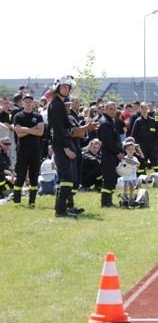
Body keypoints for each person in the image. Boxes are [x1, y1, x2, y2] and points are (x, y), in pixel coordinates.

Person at [48, 75, 98, 217]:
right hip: (62, 147)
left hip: (65, 145)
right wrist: (66, 148)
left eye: (68, 87)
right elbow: (58, 130)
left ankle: (66, 208)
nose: (66, 88)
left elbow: (68, 130)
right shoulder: (56, 104)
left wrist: (86, 127)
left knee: (69, 180)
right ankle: (61, 211)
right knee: (67, 179)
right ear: (57, 87)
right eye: (64, 86)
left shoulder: (59, 104)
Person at [12, 94, 45, 206]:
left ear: (33, 103)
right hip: (22, 149)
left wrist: (25, 129)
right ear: (22, 103)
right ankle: (16, 200)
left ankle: (32, 201)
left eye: (30, 101)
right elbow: (19, 134)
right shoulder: (18, 116)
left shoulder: (38, 116)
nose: (28, 103)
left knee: (34, 174)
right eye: (26, 101)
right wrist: (33, 129)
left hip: (35, 149)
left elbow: (40, 132)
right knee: (20, 174)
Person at [97, 102, 123, 207]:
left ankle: (109, 201)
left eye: (114, 109)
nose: (113, 111)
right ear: (105, 110)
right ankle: (105, 202)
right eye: (111, 109)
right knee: (108, 178)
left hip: (112, 154)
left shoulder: (110, 121)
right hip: (107, 154)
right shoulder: (104, 122)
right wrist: (118, 152)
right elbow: (107, 141)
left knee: (112, 178)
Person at [131, 102, 158, 173]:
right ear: (140, 109)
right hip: (142, 146)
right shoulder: (138, 121)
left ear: (148, 109)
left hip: (152, 146)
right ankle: (141, 177)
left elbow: (156, 133)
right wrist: (136, 146)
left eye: (146, 108)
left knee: (155, 162)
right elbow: (133, 135)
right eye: (142, 108)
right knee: (142, 162)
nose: (144, 110)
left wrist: (155, 144)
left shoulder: (152, 121)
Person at [117, 139, 140, 208]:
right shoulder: (124, 159)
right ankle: (124, 197)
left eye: (132, 149)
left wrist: (138, 164)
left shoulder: (135, 158)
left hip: (133, 176)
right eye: (129, 149)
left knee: (132, 187)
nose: (131, 151)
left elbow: (137, 165)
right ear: (126, 150)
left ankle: (132, 198)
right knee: (125, 187)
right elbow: (122, 167)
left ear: (134, 150)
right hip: (126, 177)